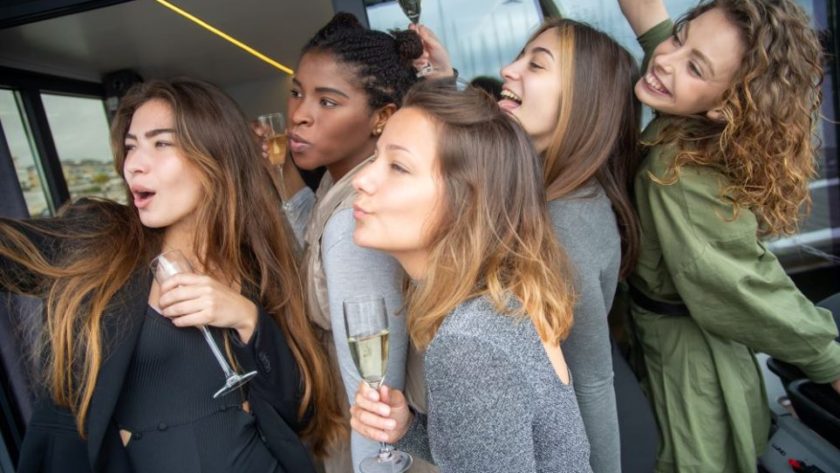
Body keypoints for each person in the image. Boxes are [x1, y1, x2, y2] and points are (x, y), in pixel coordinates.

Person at [0, 78, 343, 472]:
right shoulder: (103, 242)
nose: (134, 163)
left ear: (216, 156)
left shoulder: (256, 262)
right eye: (131, 146)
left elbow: (299, 410)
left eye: (161, 143)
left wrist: (248, 319)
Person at [408, 18, 655, 472]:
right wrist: (442, 81)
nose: (508, 69)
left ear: (583, 103)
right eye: (520, 56)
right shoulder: (547, 192)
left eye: (536, 65)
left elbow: (592, 377)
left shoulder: (563, 225)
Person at [617, 0, 840, 471]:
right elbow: (666, 39)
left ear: (726, 106)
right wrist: (676, 45)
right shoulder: (693, 104)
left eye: (694, 66)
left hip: (689, 375)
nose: (666, 59)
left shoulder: (677, 174)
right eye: (679, 37)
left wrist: (829, 359)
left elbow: (744, 285)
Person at [350, 80, 590, 472]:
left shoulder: (469, 344)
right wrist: (407, 427)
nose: (361, 179)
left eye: (398, 166)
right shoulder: (500, 302)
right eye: (375, 157)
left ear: (466, 201)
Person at [272, 12, 435, 473]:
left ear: (382, 117)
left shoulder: (358, 221)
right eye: (297, 92)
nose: (299, 114)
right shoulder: (340, 180)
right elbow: (314, 235)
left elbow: (375, 393)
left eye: (327, 101)